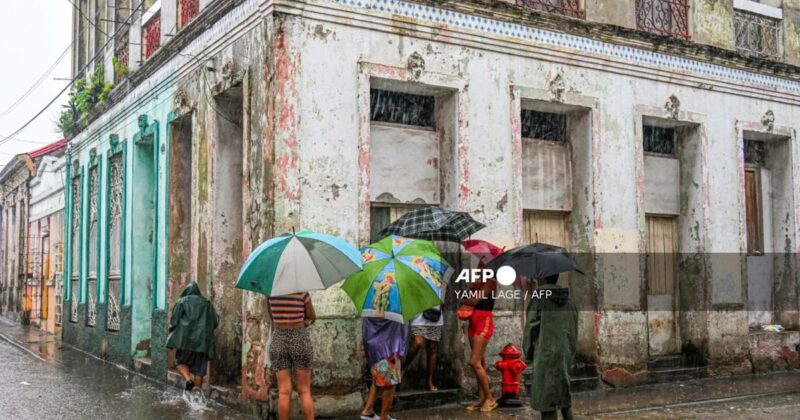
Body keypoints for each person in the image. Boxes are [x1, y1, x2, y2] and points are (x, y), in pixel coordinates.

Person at [524, 274, 578, 420]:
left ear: (542, 279)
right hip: (565, 352)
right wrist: (570, 352)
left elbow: (530, 327)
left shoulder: (539, 298)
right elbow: (573, 328)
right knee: (563, 393)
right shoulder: (569, 300)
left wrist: (528, 353)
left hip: (545, 352)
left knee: (546, 398)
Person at [268, 291, 316, 420]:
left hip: (278, 339)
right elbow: (311, 317)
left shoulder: (271, 293)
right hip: (299, 338)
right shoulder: (302, 292)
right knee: (304, 391)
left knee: (284, 391)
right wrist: (303, 323)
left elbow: (273, 318)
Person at [166, 282, 219, 394]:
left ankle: (188, 380)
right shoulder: (207, 303)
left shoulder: (182, 301)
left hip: (186, 342)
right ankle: (197, 397)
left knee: (180, 363)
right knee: (199, 371)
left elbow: (174, 321)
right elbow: (215, 322)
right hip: (203, 343)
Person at [460, 275, 498, 412]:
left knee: (474, 361)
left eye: (483, 266)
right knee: (480, 363)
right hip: (473, 322)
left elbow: (475, 300)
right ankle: (482, 398)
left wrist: (465, 299)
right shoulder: (479, 282)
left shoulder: (490, 283)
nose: (479, 267)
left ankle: (490, 398)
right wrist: (472, 286)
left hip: (484, 321)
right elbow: (467, 295)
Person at [360, 317, 409, 420]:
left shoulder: (369, 304)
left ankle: (367, 410)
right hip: (388, 345)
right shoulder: (394, 304)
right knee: (390, 383)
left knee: (378, 378)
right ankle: (384, 417)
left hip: (373, 344)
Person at [403, 305, 443, 391]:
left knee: (432, 348)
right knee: (418, 343)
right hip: (418, 313)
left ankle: (429, 381)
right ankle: (403, 369)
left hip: (434, 314)